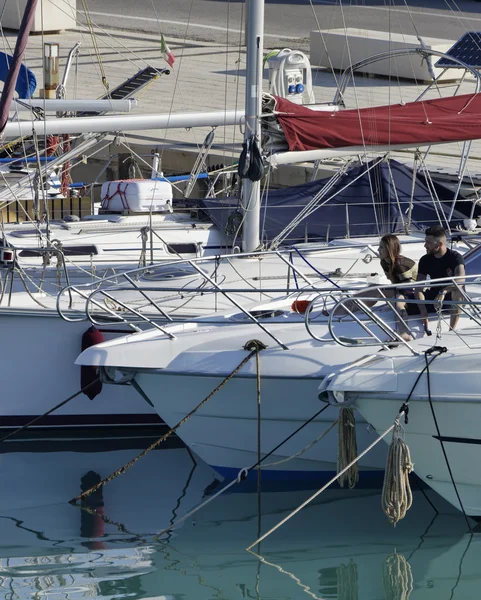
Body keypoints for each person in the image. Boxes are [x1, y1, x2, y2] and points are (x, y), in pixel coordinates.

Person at [326, 235, 418, 340]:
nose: (378, 250)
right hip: (400, 290)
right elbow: (394, 283)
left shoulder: (401, 265)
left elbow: (408, 288)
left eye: (382, 247)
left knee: (381, 293)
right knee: (371, 288)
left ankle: (404, 332)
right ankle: (342, 307)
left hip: (413, 295)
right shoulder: (385, 262)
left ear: (390, 249)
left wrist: (391, 294)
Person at [415, 225, 465, 331]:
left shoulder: (455, 257)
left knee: (458, 291)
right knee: (400, 298)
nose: (425, 245)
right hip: (434, 298)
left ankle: (452, 330)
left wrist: (443, 291)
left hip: (449, 298)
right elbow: (418, 287)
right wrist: (423, 311)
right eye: (425, 241)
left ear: (440, 244)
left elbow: (460, 280)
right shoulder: (425, 260)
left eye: (428, 242)